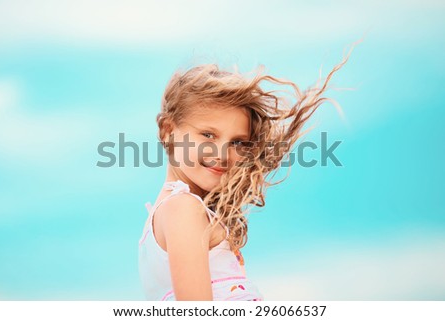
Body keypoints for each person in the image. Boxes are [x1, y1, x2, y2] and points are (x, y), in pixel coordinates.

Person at [138, 41, 359, 301]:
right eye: (208, 135)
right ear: (168, 130)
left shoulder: (177, 210)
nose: (222, 154)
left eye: (237, 142)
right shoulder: (183, 209)